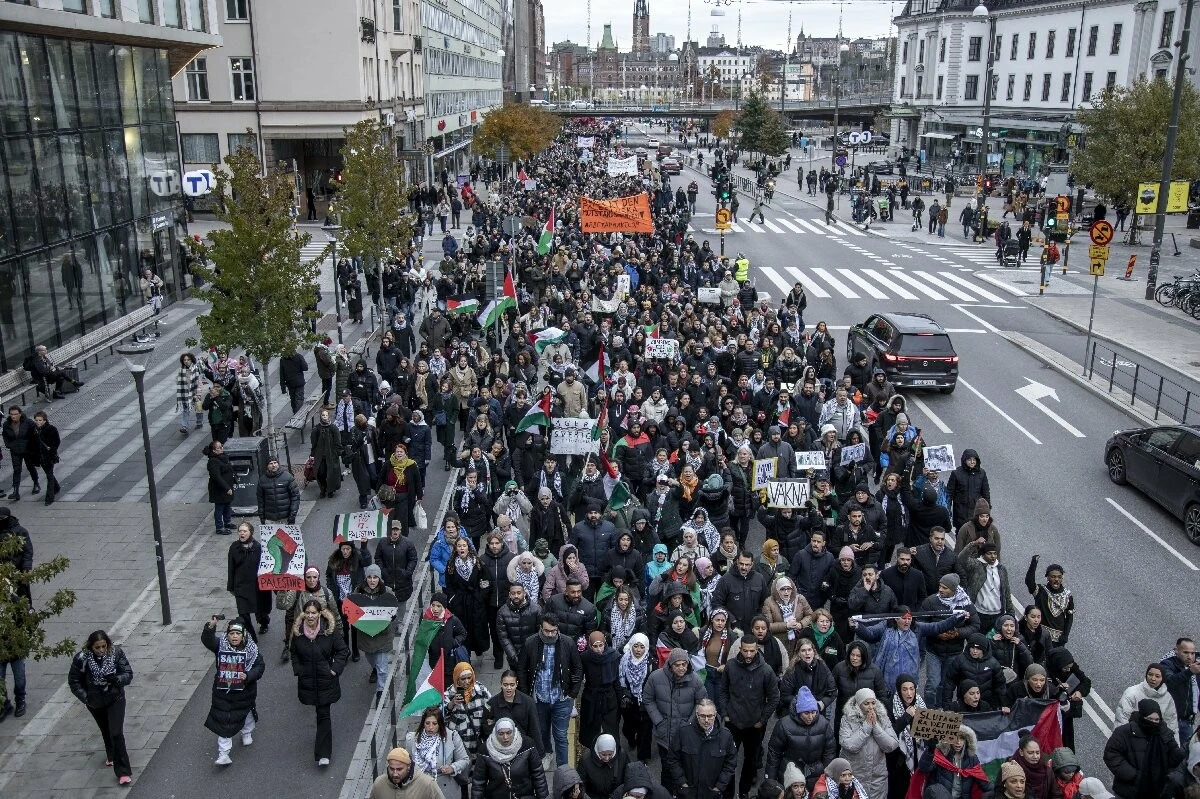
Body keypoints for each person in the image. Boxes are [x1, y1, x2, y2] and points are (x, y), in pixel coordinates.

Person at [67, 630, 134, 785]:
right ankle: (111, 754)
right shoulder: (82, 659)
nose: (101, 650)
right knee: (105, 729)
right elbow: (74, 681)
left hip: (115, 697)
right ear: (91, 647)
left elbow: (128, 674)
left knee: (116, 732)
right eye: (97, 647)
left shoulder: (115, 653)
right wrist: (86, 698)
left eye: (104, 646)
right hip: (95, 701)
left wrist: (116, 679)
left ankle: (123, 771)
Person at [290, 599, 350, 767]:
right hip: (308, 681)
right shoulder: (298, 633)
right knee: (319, 713)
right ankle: (322, 748)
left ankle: (323, 754)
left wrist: (334, 669)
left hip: (326, 680)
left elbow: (342, 650)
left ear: (319, 614)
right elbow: (294, 653)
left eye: (313, 613)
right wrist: (298, 670)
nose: (310, 616)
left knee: (324, 715)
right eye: (307, 613)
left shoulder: (329, 632)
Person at [518, 613, 582, 767]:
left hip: (561, 698)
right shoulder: (531, 642)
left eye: (553, 631)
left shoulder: (567, 642)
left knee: (560, 735)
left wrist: (572, 693)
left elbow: (578, 668)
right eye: (547, 631)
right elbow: (522, 668)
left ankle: (563, 768)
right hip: (539, 698)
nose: (550, 634)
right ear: (541, 627)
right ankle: (547, 753)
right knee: (542, 732)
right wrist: (527, 693)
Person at [202, 616, 264, 765]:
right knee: (224, 720)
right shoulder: (220, 645)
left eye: (237, 633)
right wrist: (210, 627)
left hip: (244, 692)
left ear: (243, 635)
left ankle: (246, 732)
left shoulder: (252, 650)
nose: (234, 636)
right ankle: (224, 753)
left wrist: (248, 676)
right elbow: (208, 640)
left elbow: (259, 668)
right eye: (231, 634)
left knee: (246, 713)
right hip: (223, 691)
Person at [1104, 698, 1185, 799]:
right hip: (1128, 792)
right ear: (1142, 717)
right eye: (1150, 719)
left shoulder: (1165, 734)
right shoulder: (1124, 732)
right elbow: (1111, 754)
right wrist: (1132, 775)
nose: (1154, 723)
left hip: (1157, 792)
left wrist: (1184, 750)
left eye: (1156, 720)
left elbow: (1173, 760)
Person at [663, 698, 738, 799]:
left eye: (710, 716)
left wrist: (719, 787)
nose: (706, 720)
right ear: (697, 715)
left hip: (711, 794)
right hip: (688, 793)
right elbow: (672, 758)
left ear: (715, 714)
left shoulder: (726, 736)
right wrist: (682, 783)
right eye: (703, 716)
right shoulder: (683, 732)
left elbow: (730, 763)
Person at [765, 685, 837, 785]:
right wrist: (771, 781)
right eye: (806, 713)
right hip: (791, 774)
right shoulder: (783, 725)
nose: (811, 717)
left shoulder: (823, 724)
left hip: (816, 774)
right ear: (799, 712)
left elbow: (830, 750)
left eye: (814, 712)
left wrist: (825, 771)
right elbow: (774, 754)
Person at [839, 688, 899, 799]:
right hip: (854, 776)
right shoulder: (847, 719)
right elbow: (849, 745)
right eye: (866, 704)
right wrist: (867, 726)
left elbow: (891, 745)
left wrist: (875, 726)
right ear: (858, 705)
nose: (871, 707)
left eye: (873, 703)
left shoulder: (882, 717)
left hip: (877, 779)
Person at [471, 717, 548, 799]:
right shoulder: (485, 750)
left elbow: (538, 774)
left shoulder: (527, 745)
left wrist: (542, 797)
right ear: (496, 733)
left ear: (514, 732)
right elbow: (478, 783)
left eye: (509, 733)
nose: (505, 737)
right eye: (501, 734)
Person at [405, 706, 470, 798]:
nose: (430, 727)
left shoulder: (451, 736)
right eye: (427, 723)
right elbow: (407, 762)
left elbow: (464, 759)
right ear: (423, 723)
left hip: (445, 787)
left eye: (434, 723)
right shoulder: (412, 739)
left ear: (440, 724)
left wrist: (452, 767)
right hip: (420, 786)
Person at [914, 724, 990, 799]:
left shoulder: (972, 759)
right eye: (955, 737)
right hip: (940, 796)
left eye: (962, 738)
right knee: (937, 789)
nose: (958, 742)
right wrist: (930, 750)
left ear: (966, 740)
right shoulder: (939, 754)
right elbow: (924, 768)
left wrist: (998, 791)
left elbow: (985, 784)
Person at [357, 564, 398, 696]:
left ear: (379, 578)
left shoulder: (387, 592)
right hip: (366, 636)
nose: (372, 580)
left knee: (382, 667)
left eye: (375, 577)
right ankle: (375, 669)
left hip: (382, 636)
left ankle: (381, 691)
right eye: (369, 577)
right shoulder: (358, 592)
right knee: (370, 658)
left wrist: (392, 616)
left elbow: (393, 609)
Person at [1115, 664, 1181, 745]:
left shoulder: (1168, 698)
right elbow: (1122, 719)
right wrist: (1120, 742)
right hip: (1133, 741)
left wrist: (1175, 748)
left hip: (1154, 744)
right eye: (1150, 674)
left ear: (1162, 678)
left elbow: (1172, 724)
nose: (1153, 678)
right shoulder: (1132, 693)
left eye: (1157, 676)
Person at [228, 521, 272, 636]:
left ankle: (264, 623)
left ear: (250, 532)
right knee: (243, 613)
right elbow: (231, 568)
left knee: (261, 609)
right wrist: (231, 586)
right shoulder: (234, 547)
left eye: (244, 531)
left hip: (257, 586)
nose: (242, 533)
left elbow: (267, 566)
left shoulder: (258, 547)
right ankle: (252, 638)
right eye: (240, 531)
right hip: (241, 586)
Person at [580, 631, 622, 748]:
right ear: (590, 645)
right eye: (595, 646)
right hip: (591, 697)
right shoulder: (585, 657)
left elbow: (616, 680)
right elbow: (579, 676)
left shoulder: (613, 656)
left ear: (605, 644)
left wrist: (620, 698)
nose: (599, 649)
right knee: (591, 731)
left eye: (601, 645)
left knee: (611, 730)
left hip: (609, 697)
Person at [371, 745, 445, 799]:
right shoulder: (379, 784)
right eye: (392, 769)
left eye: (399, 769)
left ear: (408, 766)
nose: (395, 773)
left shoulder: (427, 784)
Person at [577, 732, 629, 799]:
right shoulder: (585, 759)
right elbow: (581, 783)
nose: (607, 758)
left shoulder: (622, 756)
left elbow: (628, 778)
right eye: (603, 754)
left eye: (610, 754)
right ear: (597, 750)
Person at [3, 405, 38, 501]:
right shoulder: (7, 424)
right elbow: (5, 435)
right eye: (11, 414)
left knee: (30, 467)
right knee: (16, 469)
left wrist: (32, 447)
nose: (13, 416)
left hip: (27, 449)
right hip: (15, 450)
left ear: (20, 414)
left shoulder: (28, 423)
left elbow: (34, 435)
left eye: (15, 414)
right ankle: (15, 491)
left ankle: (36, 483)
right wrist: (9, 445)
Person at [30, 410, 61, 505]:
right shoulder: (34, 429)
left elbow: (56, 442)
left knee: (49, 475)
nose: (38, 422)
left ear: (45, 420)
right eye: (36, 420)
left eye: (40, 420)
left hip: (49, 456)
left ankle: (49, 498)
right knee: (49, 473)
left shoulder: (51, 429)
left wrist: (52, 449)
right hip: (40, 457)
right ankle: (56, 487)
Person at [259, 455, 300, 525]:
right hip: (270, 519)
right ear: (267, 466)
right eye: (271, 463)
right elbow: (260, 499)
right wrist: (261, 516)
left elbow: (295, 497)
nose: (273, 465)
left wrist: (293, 514)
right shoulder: (262, 480)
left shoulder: (288, 477)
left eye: (275, 462)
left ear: (278, 464)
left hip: (286, 518)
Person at [205, 440, 235, 535]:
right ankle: (219, 527)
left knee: (227, 505)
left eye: (221, 446)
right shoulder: (213, 461)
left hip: (227, 486)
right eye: (219, 447)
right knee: (220, 507)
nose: (222, 448)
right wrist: (227, 488)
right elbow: (216, 477)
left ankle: (227, 522)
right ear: (214, 451)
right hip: (219, 489)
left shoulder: (223, 457)